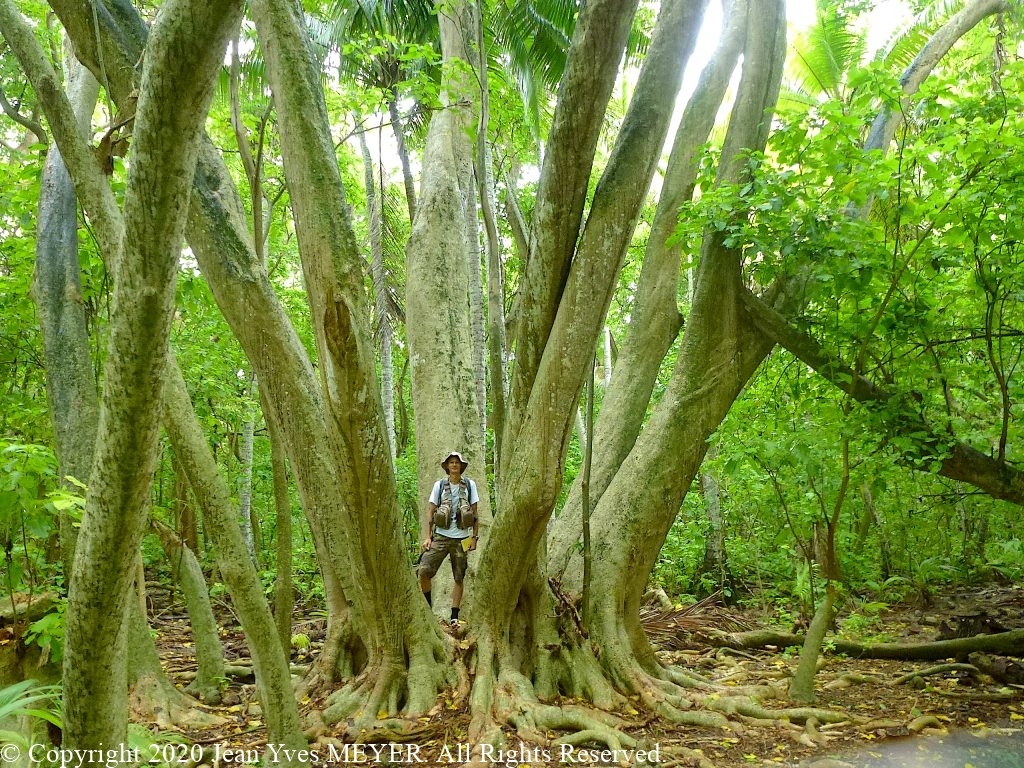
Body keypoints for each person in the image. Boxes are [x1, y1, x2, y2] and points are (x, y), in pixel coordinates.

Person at [419, 451, 479, 626]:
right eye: (451, 462)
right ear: (447, 466)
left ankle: (454, 615)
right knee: (424, 570)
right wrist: (427, 537)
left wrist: (474, 537)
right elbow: (431, 511)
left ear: (461, 466)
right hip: (441, 537)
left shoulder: (469, 485)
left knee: (459, 577)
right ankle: (428, 607)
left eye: (457, 462)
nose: (454, 465)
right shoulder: (439, 485)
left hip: (462, 539)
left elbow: (475, 514)